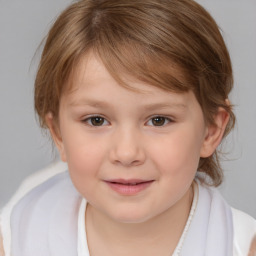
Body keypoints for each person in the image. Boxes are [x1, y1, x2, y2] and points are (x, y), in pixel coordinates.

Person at [0, 0, 256, 255]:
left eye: (158, 120)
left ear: (210, 130)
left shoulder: (241, 247)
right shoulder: (16, 239)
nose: (126, 153)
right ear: (58, 134)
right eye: (96, 120)